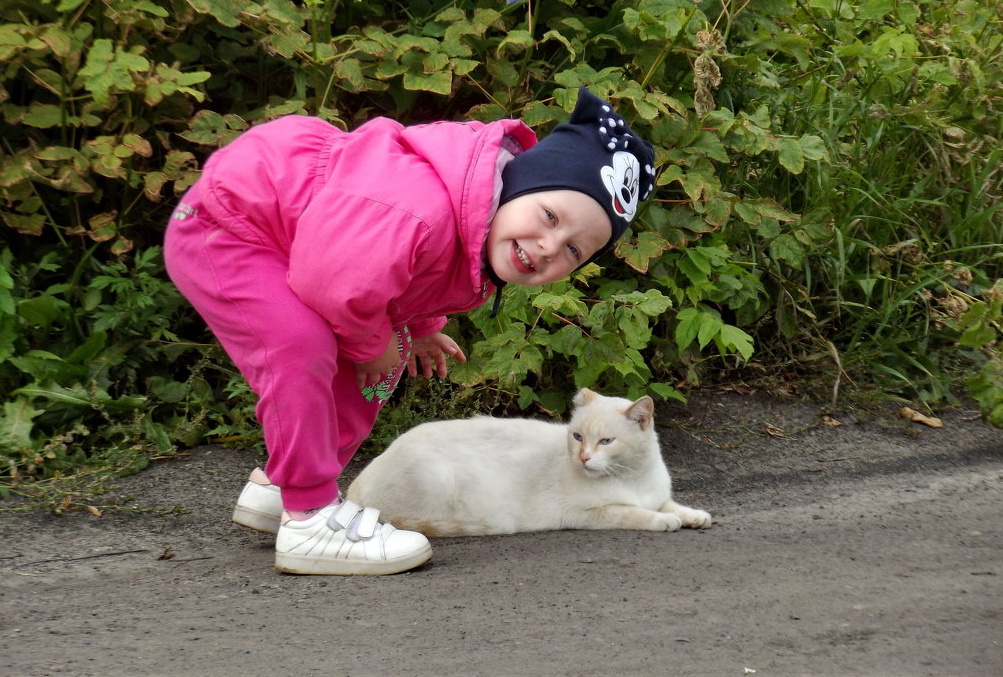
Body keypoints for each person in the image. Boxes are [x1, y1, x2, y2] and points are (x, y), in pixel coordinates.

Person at [163, 86, 657, 575]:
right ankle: (310, 520)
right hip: (228, 227)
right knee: (303, 346)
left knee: (382, 357)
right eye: (550, 216)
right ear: (519, 184)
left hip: (304, 246)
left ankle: (284, 488)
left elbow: (404, 271)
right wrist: (371, 341)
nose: (551, 246)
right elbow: (332, 279)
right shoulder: (421, 208)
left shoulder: (479, 221)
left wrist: (417, 328)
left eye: (574, 250)